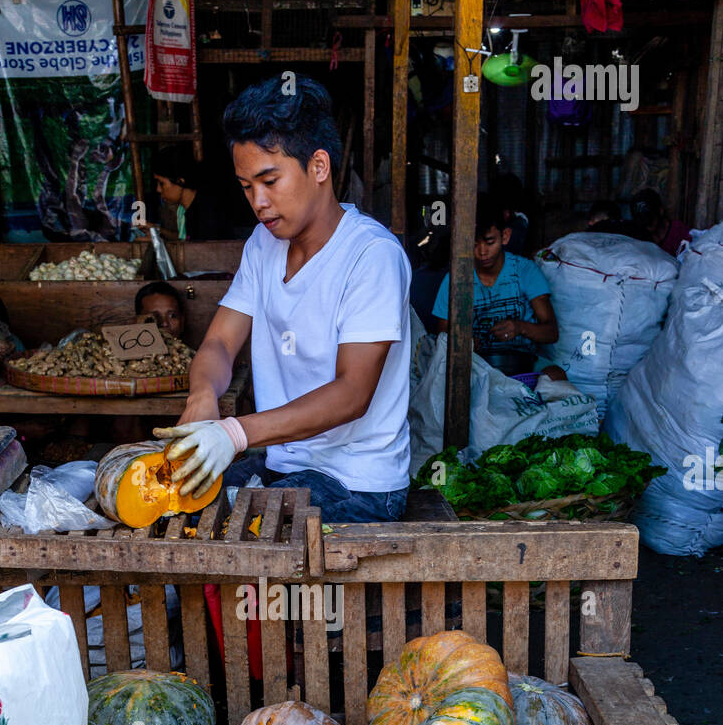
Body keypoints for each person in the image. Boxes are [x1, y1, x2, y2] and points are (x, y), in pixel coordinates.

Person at [154, 76, 412, 524]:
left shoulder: (373, 256)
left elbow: (352, 393)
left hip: (358, 485)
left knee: (233, 535)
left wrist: (234, 433)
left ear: (318, 166)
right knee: (172, 509)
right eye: (245, 186)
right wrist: (203, 397)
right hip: (284, 469)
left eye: (269, 181)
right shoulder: (262, 244)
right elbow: (219, 344)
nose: (258, 201)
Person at [431, 195, 567, 380]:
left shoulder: (525, 271)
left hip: (523, 362)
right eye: (474, 244)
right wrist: (464, 343)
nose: (482, 252)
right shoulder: (455, 279)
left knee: (556, 376)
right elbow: (441, 336)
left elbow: (551, 333)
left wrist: (520, 327)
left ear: (505, 236)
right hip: (474, 367)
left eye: (489, 242)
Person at [153, 145, 225, 242]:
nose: (158, 189)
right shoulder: (187, 210)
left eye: (161, 183)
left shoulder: (206, 214)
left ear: (180, 181)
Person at [630, 189, 691, 256]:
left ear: (660, 211)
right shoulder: (642, 235)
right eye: (642, 220)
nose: (646, 224)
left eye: (649, 219)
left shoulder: (679, 233)